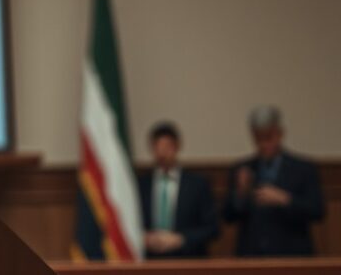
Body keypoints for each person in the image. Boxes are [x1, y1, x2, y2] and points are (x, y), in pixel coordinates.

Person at [222, 105, 325, 256]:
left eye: (269, 137)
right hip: (251, 256)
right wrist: (240, 193)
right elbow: (228, 217)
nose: (264, 144)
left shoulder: (303, 168)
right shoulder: (242, 168)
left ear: (280, 134)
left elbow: (318, 211)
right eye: (258, 138)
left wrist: (285, 199)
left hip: (293, 255)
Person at [137, 121, 218, 258]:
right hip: (151, 261)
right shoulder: (141, 185)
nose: (162, 153)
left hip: (188, 259)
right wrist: (143, 237)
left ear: (177, 147)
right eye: (157, 147)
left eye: (167, 147)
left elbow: (213, 228)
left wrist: (181, 239)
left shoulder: (197, 185)